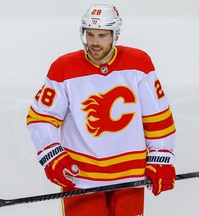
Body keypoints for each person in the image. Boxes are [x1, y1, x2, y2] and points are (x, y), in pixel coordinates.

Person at [27, 4, 176, 216]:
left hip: (130, 177)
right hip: (81, 177)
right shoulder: (63, 68)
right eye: (90, 34)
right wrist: (53, 156)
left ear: (115, 36)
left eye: (102, 35)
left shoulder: (139, 64)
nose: (95, 42)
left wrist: (161, 157)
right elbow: (42, 117)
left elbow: (158, 116)